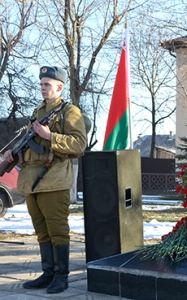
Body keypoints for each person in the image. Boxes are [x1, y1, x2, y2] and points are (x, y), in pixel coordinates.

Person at [3, 66, 87, 294]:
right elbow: (30, 150)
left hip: (54, 179)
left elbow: (79, 144)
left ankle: (62, 276)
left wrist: (50, 136)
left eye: (47, 84)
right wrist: (13, 156)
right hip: (31, 180)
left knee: (57, 229)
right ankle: (48, 273)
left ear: (59, 87)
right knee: (41, 230)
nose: (42, 88)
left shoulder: (70, 112)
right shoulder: (38, 112)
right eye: (41, 84)